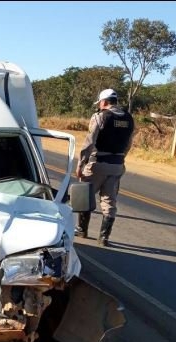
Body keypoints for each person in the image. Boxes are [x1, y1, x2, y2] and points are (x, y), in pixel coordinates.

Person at [74, 88, 135, 246]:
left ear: (104, 102)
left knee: (85, 196)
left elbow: (90, 142)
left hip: (98, 163)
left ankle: (82, 229)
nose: (99, 105)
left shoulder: (100, 116)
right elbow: (128, 144)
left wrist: (81, 163)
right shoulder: (129, 119)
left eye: (100, 103)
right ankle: (104, 237)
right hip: (117, 165)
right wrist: (120, 160)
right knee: (109, 201)